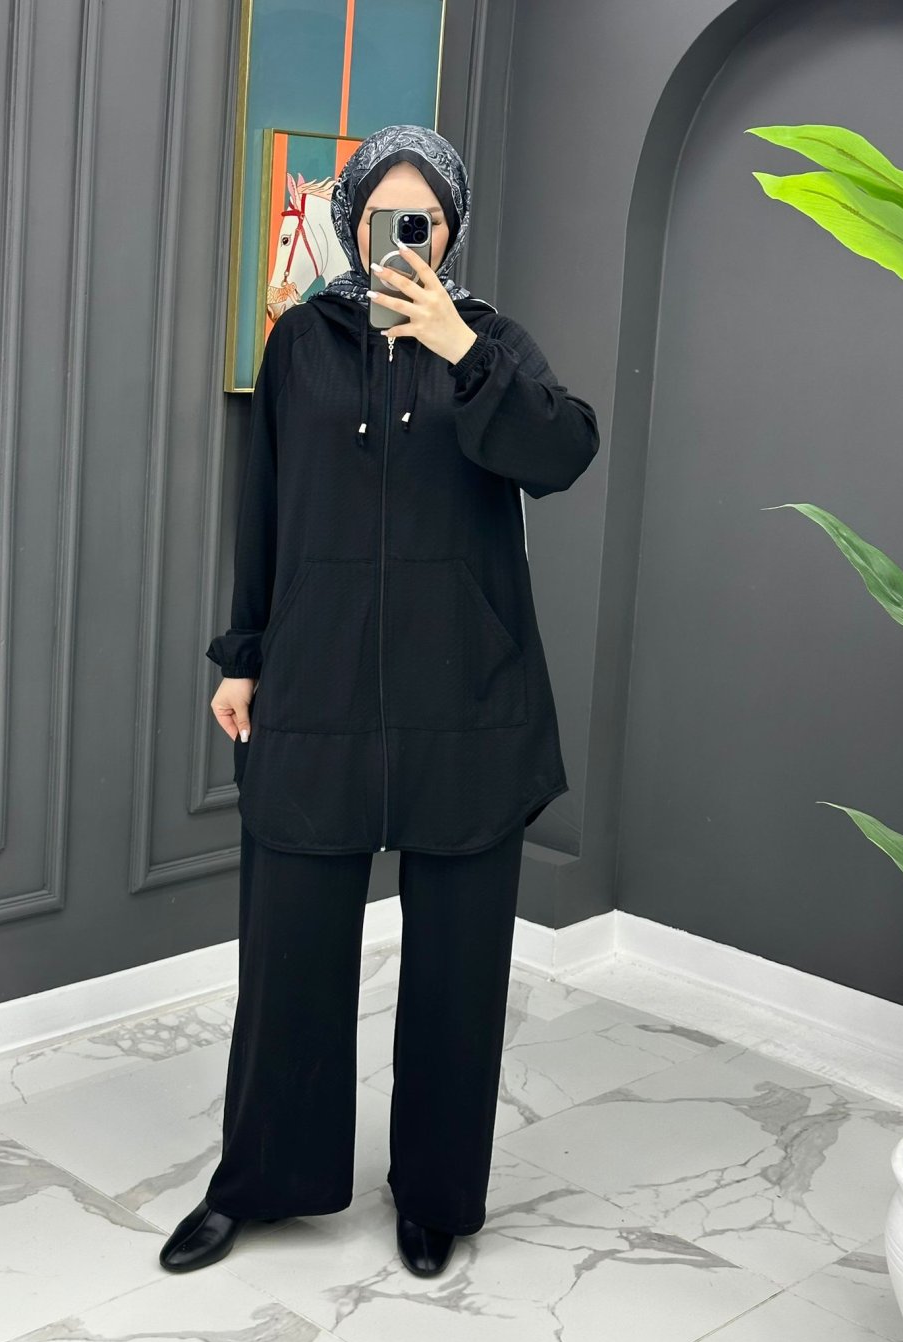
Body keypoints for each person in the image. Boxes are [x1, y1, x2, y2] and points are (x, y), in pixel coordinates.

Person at [159, 124, 600, 1278]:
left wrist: (461, 350)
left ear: (451, 229)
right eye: (383, 217)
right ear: (351, 222)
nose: (405, 236)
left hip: (467, 693)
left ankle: (435, 1195)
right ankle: (261, 1179)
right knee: (289, 960)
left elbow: (563, 453)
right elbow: (263, 505)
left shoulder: (491, 340)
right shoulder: (300, 342)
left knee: (458, 971)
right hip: (318, 686)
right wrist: (243, 655)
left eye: (426, 219)